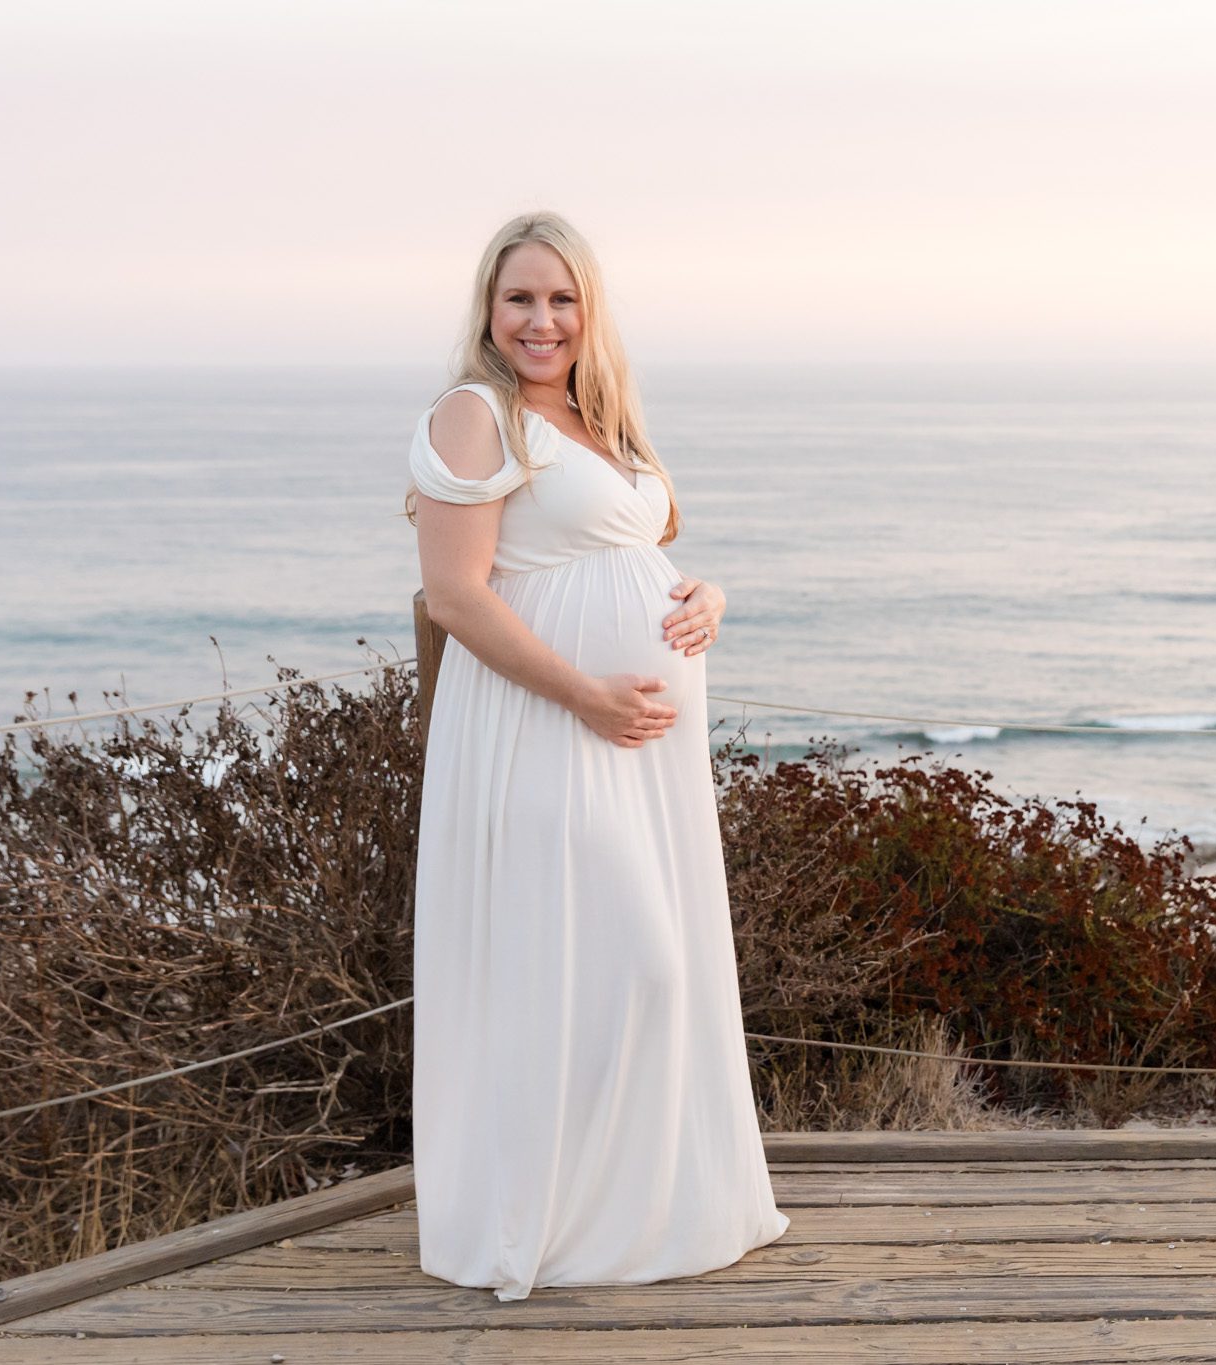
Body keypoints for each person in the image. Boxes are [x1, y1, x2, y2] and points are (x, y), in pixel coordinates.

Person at [402, 210, 791, 1301]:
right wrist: (582, 695)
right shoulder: (473, 415)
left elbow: (639, 543)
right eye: (521, 298)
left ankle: (647, 1212)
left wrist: (705, 597)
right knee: (615, 964)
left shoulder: (593, 414)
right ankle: (558, 1222)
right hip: (542, 729)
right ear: (488, 306)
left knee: (635, 964)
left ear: (589, 311)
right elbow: (454, 594)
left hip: (638, 748)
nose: (541, 319)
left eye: (562, 299)